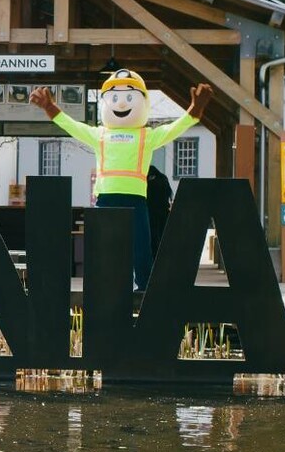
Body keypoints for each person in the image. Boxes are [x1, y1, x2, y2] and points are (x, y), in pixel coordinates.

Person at [29, 70, 212, 290]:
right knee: (106, 249)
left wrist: (195, 111)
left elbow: (173, 129)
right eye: (114, 98)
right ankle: (106, 288)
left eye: (129, 97)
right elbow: (72, 127)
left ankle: (143, 289)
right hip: (106, 199)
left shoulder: (146, 136)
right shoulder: (101, 135)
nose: (122, 104)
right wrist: (50, 107)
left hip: (134, 200)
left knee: (141, 247)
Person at [146, 164, 173, 257]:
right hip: (163, 214)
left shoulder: (148, 183)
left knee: (151, 240)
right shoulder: (163, 179)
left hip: (150, 213)